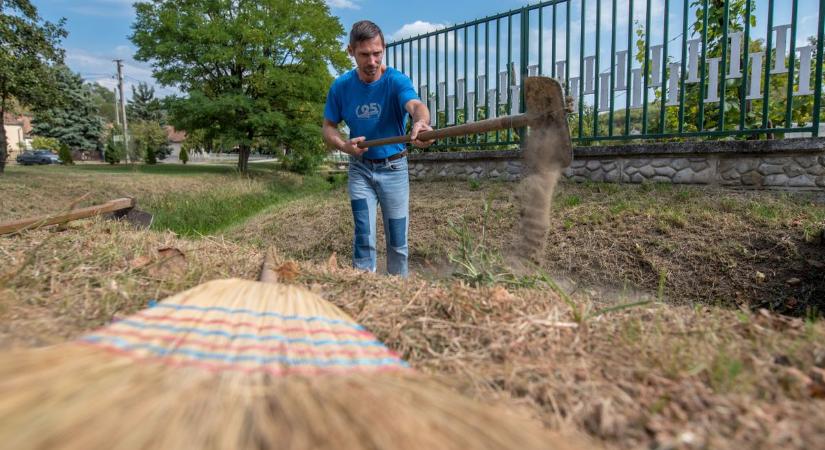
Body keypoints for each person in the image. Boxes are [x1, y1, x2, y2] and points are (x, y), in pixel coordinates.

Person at [322, 20, 433, 277]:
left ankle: (399, 294)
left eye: (377, 53)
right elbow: (328, 127)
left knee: (398, 240)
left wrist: (421, 123)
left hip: (394, 168)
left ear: (383, 48)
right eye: (364, 54)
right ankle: (363, 289)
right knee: (364, 236)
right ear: (351, 51)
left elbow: (416, 105)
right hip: (360, 169)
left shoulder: (396, 81)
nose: (372, 61)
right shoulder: (341, 87)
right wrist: (343, 145)